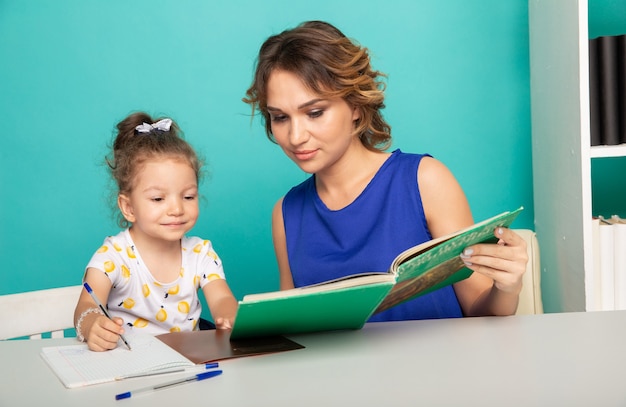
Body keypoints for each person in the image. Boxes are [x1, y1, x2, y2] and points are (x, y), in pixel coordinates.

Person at [243, 20, 528, 321]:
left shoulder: (425, 180)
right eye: (280, 117)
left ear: (355, 106)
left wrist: (507, 287)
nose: (296, 136)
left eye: (315, 112)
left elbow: (481, 310)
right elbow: (294, 325)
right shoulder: (286, 214)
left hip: (437, 366)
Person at [73, 112, 238, 351]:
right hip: (129, 364)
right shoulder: (114, 255)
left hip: (187, 365)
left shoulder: (201, 254)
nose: (177, 209)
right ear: (128, 207)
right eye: (158, 198)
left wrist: (229, 316)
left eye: (188, 196)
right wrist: (92, 325)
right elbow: (87, 304)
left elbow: (222, 298)